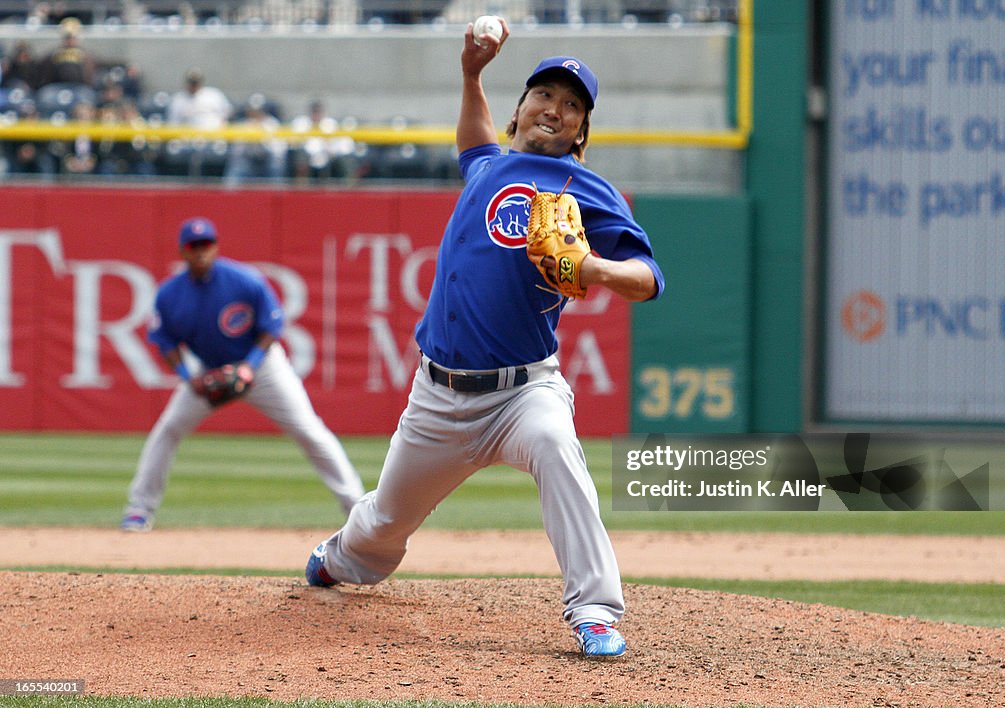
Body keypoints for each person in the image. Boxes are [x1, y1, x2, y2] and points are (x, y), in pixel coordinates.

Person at [304, 24, 664, 658]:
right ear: (520, 109)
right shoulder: (488, 166)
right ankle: (340, 556)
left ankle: (597, 611)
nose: (555, 108)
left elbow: (649, 276)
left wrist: (600, 270)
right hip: (438, 397)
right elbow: (472, 139)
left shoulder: (588, 189)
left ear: (581, 131)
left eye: (572, 104)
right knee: (384, 525)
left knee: (558, 448)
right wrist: (471, 76)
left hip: (525, 391)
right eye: (544, 94)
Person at [121, 217, 366, 532]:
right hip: (209, 371)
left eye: (206, 244)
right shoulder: (169, 295)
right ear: (183, 251)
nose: (200, 251)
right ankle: (139, 509)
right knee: (168, 430)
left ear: (216, 246)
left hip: (262, 366)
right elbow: (164, 340)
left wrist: (249, 366)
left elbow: (272, 325)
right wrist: (187, 376)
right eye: (194, 246)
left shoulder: (243, 280)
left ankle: (357, 507)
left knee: (309, 430)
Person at [38, 18, 96, 87]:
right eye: (67, 37)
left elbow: (90, 75)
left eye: (73, 37)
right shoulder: (54, 53)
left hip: (80, 87)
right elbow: (44, 72)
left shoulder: (86, 54)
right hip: (56, 86)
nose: (70, 40)